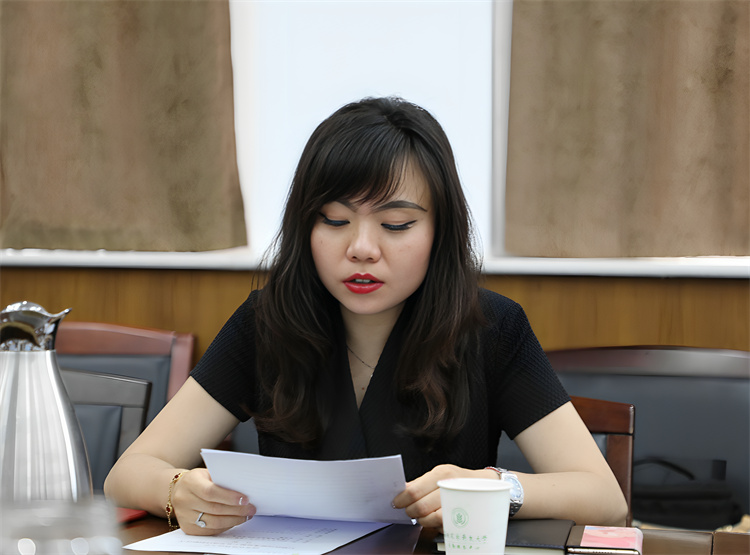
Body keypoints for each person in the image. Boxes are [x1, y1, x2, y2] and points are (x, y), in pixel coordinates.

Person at [104, 96, 628, 535]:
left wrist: (495, 487)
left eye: (395, 224)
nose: (361, 248)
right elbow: (126, 474)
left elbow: (604, 497)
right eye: (335, 220)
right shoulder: (266, 322)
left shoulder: (492, 328)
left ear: (440, 231)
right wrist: (178, 488)